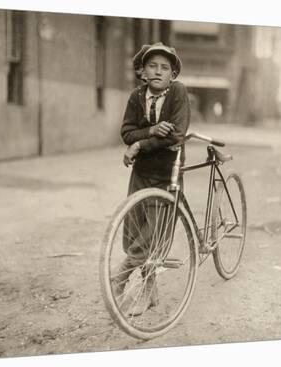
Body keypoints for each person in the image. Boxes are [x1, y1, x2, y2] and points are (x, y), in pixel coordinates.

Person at [113, 42, 191, 316]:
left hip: (166, 173)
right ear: (142, 71)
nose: (158, 72)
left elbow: (176, 134)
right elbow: (126, 132)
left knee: (153, 234)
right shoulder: (136, 97)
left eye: (165, 67)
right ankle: (151, 291)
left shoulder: (178, 93)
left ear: (173, 74)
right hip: (141, 173)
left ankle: (123, 277)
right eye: (152, 66)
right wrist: (152, 131)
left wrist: (139, 145)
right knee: (135, 227)